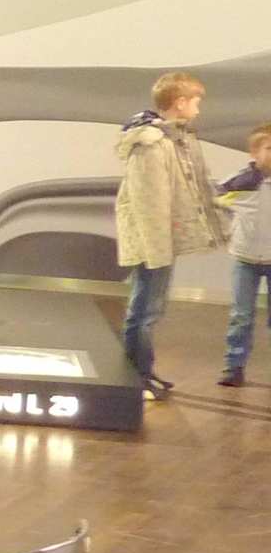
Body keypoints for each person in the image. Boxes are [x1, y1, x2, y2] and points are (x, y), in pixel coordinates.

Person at [114, 71, 225, 396]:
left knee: (151, 309)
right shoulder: (151, 144)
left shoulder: (174, 139)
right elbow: (150, 201)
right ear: (180, 102)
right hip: (154, 241)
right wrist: (157, 248)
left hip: (162, 239)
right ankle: (135, 378)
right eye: (195, 102)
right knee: (144, 311)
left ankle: (143, 371)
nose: (198, 109)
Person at [215, 123, 271, 385]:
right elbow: (216, 199)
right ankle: (233, 366)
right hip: (245, 258)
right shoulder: (240, 181)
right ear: (254, 152)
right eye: (269, 148)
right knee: (241, 315)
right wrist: (230, 228)